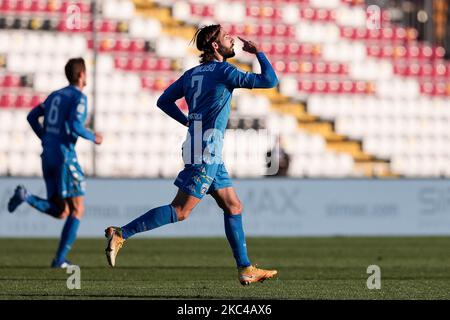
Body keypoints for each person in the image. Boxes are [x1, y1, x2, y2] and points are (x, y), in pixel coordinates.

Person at [104, 24, 279, 285]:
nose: (232, 39)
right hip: (206, 151)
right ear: (216, 47)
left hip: (202, 148)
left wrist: (187, 121)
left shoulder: (192, 74)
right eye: (226, 37)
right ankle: (121, 233)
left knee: (233, 205)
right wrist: (259, 53)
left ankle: (245, 268)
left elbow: (163, 100)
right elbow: (270, 81)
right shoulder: (224, 71)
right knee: (181, 210)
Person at [7, 58, 103, 268]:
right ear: (81, 75)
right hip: (64, 156)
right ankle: (59, 260)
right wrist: (93, 136)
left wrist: (45, 137)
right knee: (77, 210)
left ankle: (26, 196)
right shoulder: (78, 97)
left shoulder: (55, 95)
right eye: (86, 73)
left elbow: (33, 116)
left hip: (48, 154)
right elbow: (74, 124)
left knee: (62, 211)